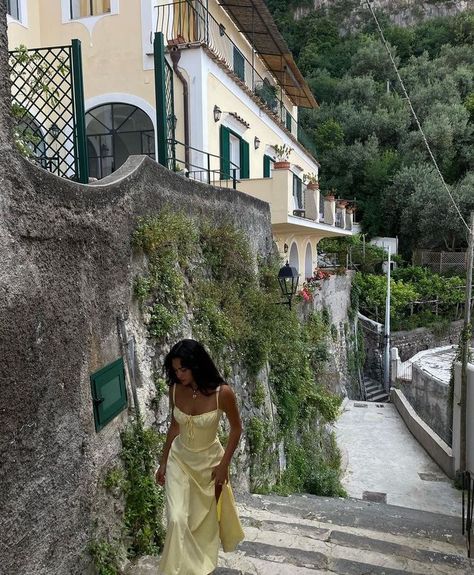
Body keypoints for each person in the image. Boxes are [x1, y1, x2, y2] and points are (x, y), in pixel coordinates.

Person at [155, 339, 244, 575]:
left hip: (209, 465)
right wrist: (163, 462)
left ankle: (195, 569)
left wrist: (224, 465)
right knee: (176, 519)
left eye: (183, 369)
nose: (179, 374)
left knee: (199, 523)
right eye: (175, 370)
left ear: (197, 365)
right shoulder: (175, 390)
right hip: (179, 460)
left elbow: (236, 428)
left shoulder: (222, 393)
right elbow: (175, 427)